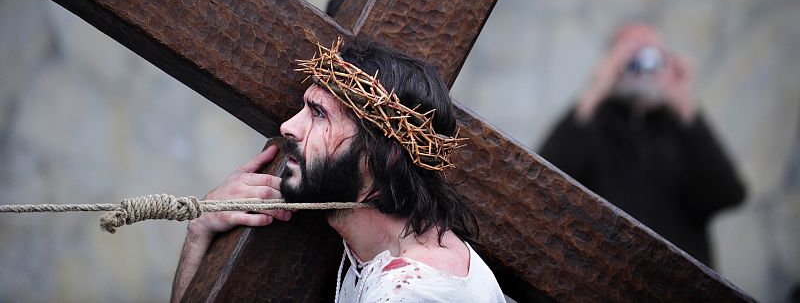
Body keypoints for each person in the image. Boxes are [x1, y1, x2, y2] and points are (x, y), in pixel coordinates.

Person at [171, 38, 505, 302]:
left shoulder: (407, 292)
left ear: (382, 157)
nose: (288, 126)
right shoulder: (394, 248)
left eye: (318, 114)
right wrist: (199, 229)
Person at [538, 22, 746, 268]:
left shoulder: (681, 130)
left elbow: (727, 193)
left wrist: (683, 102)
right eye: (629, 54)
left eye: (652, 54)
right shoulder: (592, 124)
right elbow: (544, 182)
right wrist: (594, 91)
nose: (642, 64)